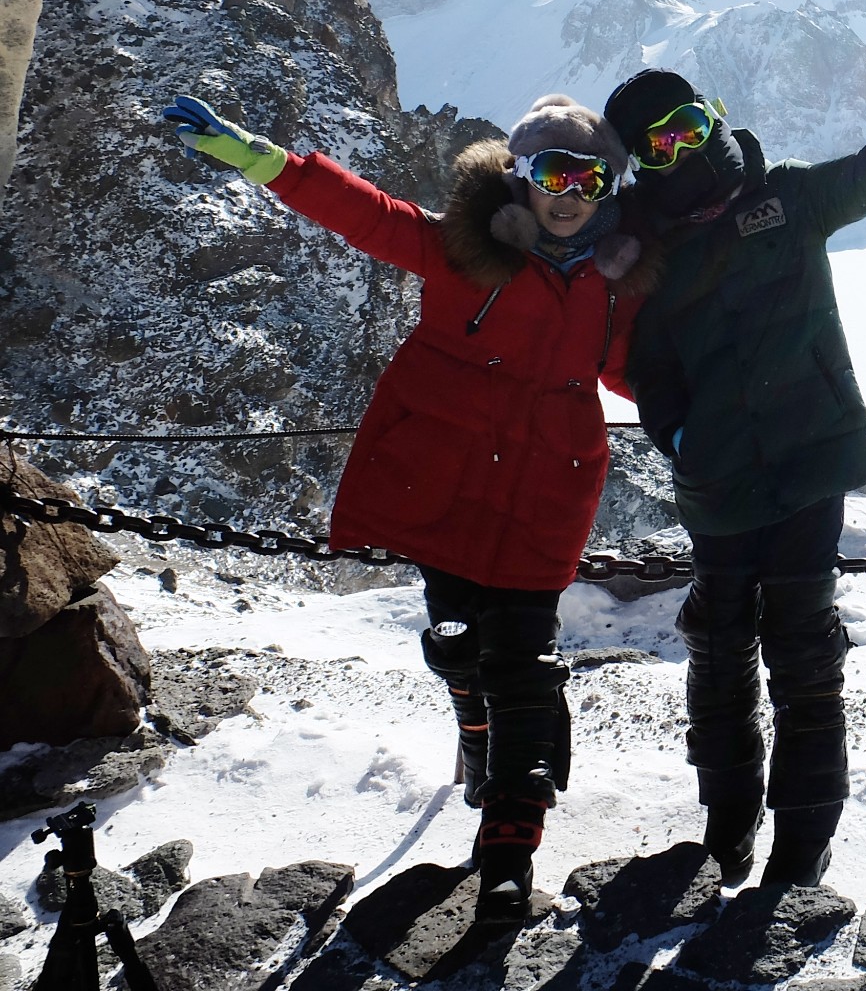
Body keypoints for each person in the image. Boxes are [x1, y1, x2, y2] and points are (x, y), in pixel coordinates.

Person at [161, 91, 657, 924]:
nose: (571, 193)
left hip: (548, 484)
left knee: (527, 663)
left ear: (610, 188)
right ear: (519, 176)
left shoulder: (616, 286)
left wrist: (723, 414)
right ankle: (470, 718)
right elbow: (368, 216)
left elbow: (634, 372)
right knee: (458, 631)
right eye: (552, 172)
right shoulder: (466, 249)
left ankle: (508, 846)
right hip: (447, 472)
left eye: (591, 177)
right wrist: (260, 157)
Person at [607, 43, 866, 887]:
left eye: (690, 126)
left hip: (807, 463)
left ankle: (802, 846)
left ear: (715, 115)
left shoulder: (788, 197)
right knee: (718, 646)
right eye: (658, 147)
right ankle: (727, 826)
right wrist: (680, 438)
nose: (685, 151)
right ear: (640, 165)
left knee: (804, 650)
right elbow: (649, 372)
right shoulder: (644, 251)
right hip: (718, 481)